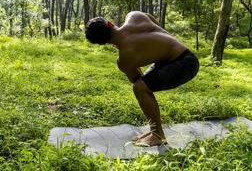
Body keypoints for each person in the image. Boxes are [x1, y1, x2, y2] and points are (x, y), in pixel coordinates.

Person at [85, 11, 199, 146]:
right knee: (142, 85)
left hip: (184, 66)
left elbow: (137, 78)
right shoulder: (134, 16)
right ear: (110, 23)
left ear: (102, 43)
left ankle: (157, 134)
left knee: (139, 88)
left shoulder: (124, 60)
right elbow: (157, 26)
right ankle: (154, 131)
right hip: (187, 56)